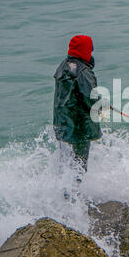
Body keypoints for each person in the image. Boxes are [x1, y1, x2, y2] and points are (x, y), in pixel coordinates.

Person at [53, 35, 102, 184]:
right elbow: (91, 98)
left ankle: (64, 197)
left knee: (66, 164)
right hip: (78, 127)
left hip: (62, 124)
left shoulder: (63, 66)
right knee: (80, 166)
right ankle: (76, 201)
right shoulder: (83, 71)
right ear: (86, 50)